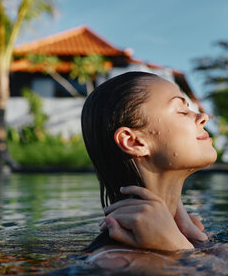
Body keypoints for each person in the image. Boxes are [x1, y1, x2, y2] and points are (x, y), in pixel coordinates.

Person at [81, 71, 217, 261]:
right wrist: (179, 248)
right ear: (134, 142)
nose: (203, 116)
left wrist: (196, 239)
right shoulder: (115, 260)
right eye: (181, 110)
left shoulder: (189, 229)